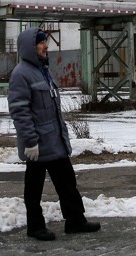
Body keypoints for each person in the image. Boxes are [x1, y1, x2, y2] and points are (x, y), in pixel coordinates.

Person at [8, 26, 101, 241]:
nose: (45, 46)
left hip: (55, 141)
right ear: (30, 47)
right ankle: (35, 227)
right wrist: (30, 141)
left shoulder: (44, 70)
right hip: (38, 144)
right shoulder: (21, 74)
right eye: (41, 42)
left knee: (67, 183)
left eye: (45, 42)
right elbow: (19, 110)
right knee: (34, 188)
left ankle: (76, 220)